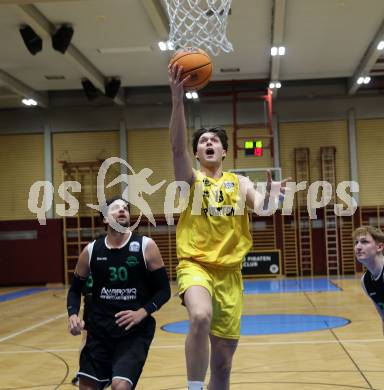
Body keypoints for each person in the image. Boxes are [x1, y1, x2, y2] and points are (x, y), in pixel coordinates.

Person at [168, 64, 289, 390]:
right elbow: (176, 148)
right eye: (203, 140)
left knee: (222, 367)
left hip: (230, 274)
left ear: (223, 150)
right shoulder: (190, 181)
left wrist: (275, 199)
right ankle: (193, 388)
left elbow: (263, 208)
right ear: (197, 152)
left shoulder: (241, 182)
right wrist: (177, 100)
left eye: (214, 140)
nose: (208, 143)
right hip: (195, 265)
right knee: (200, 316)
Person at [67, 196, 171, 390]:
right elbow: (74, 290)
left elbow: (164, 291)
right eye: (115, 208)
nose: (122, 210)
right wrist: (73, 314)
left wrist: (143, 311)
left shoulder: (145, 246)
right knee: (87, 386)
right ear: (105, 219)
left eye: (125, 208)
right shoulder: (91, 251)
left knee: (120, 386)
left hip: (133, 331)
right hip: (100, 331)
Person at [353, 225, 384, 330]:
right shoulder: (365, 282)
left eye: (364, 242)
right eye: (356, 242)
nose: (358, 247)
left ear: (379, 247)